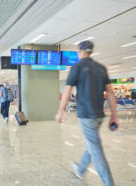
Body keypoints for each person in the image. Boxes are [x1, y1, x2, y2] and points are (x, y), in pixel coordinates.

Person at [55, 41, 118, 186]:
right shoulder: (101, 68)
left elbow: (67, 93)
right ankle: (81, 169)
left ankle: (110, 183)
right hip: (99, 116)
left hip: (86, 116)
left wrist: (60, 112)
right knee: (93, 143)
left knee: (96, 150)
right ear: (91, 51)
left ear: (79, 50)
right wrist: (114, 115)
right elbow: (110, 93)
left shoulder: (76, 68)